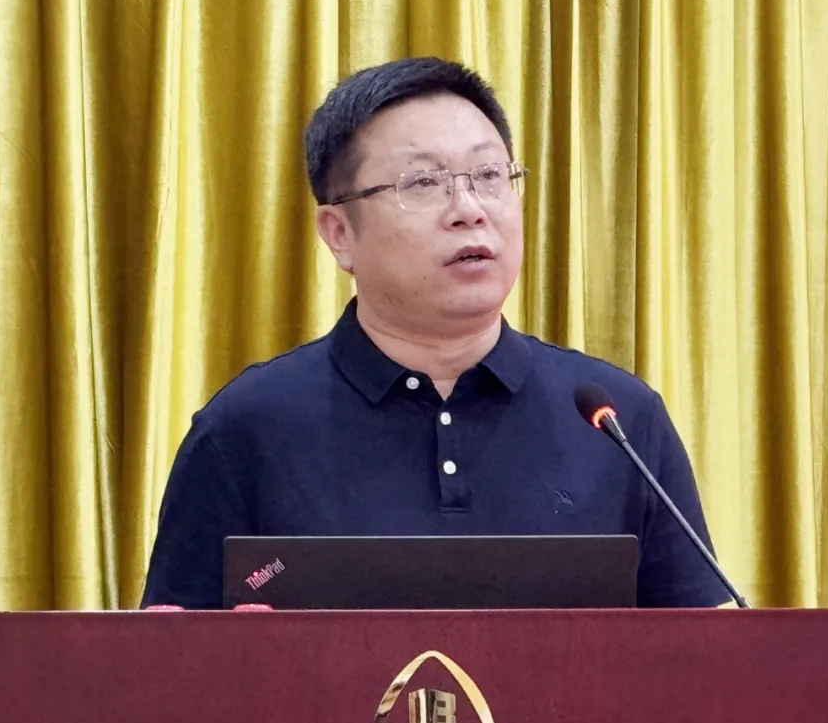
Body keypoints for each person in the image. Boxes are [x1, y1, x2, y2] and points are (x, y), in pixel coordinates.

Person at [140, 56, 730, 609]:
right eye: (422, 183)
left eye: (490, 175)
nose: (470, 208)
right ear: (339, 233)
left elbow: (702, 664)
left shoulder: (617, 422)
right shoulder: (244, 431)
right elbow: (172, 668)